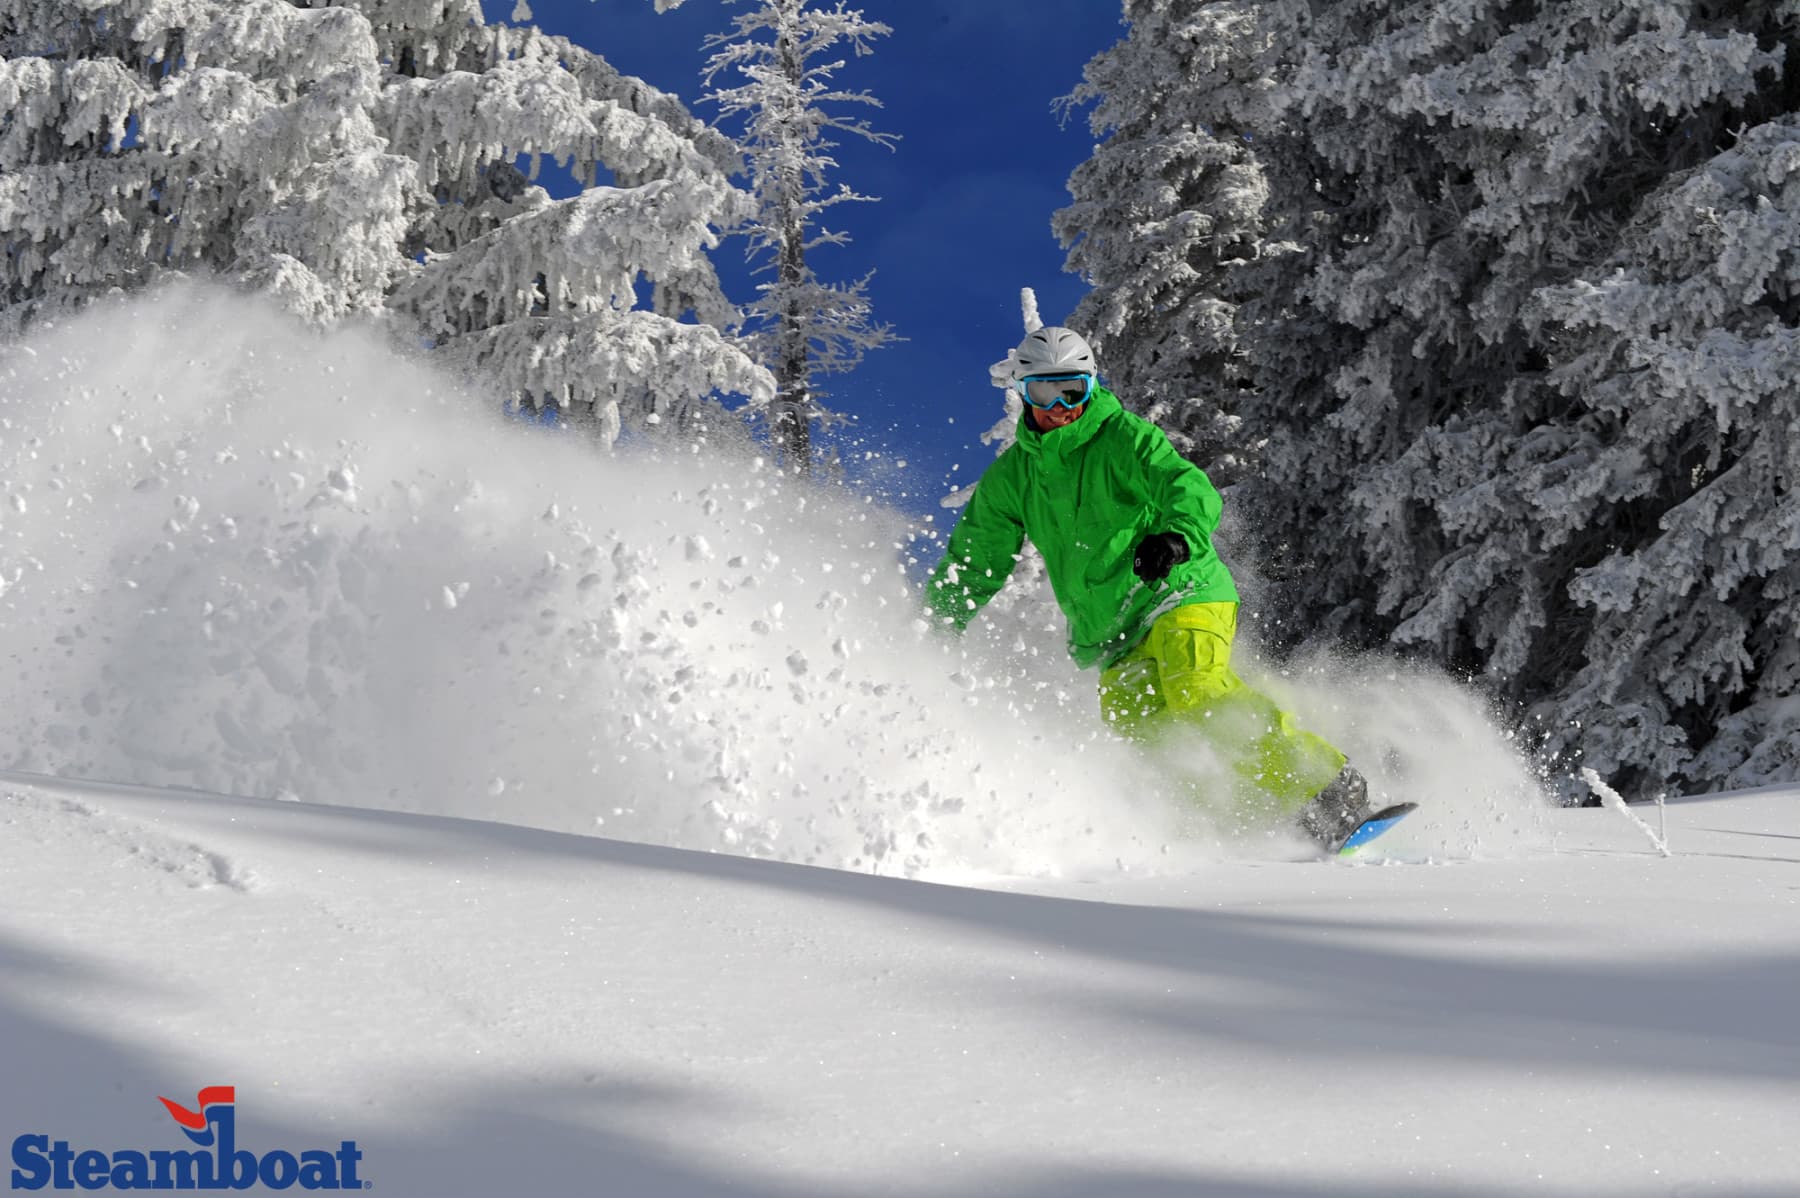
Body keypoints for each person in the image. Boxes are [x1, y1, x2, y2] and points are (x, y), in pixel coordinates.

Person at [924, 326, 1371, 850]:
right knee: (1142, 730)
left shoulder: (1125, 438)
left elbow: (1187, 486)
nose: (1061, 405)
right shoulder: (1012, 479)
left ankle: (1328, 789)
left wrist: (1175, 538)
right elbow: (974, 559)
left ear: (1091, 387)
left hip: (1181, 590)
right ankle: (1234, 822)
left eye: (1073, 390)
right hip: (1114, 630)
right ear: (1023, 392)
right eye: (1045, 391)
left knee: (1196, 691)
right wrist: (933, 623)